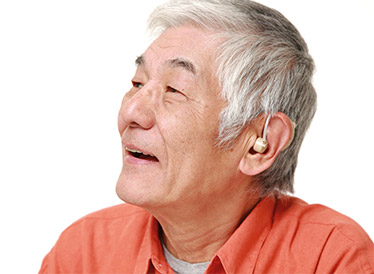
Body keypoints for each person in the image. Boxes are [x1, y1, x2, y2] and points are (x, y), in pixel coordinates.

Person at [39, 0, 374, 273]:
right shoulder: (83, 252)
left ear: (261, 143)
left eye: (174, 89)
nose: (131, 113)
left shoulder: (331, 257)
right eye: (138, 84)